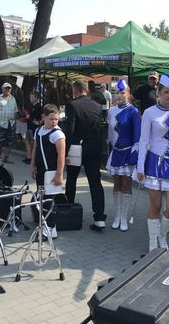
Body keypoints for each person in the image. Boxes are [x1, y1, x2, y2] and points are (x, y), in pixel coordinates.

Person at [137, 74, 169, 252]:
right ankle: (153, 243)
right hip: (154, 164)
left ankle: (162, 234)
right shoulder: (149, 113)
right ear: (158, 93)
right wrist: (140, 167)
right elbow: (143, 141)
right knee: (155, 205)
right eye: (166, 92)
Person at [64, 80, 107, 230]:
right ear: (86, 90)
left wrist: (64, 152)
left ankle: (68, 212)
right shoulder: (96, 105)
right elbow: (100, 128)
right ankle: (99, 218)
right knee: (95, 182)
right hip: (94, 147)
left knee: (71, 180)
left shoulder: (72, 105)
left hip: (76, 148)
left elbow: (70, 130)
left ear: (75, 91)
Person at [106, 79, 140, 232]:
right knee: (116, 184)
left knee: (126, 184)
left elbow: (137, 135)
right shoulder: (111, 111)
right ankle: (117, 216)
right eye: (117, 93)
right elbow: (110, 134)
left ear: (129, 95)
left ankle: (124, 218)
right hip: (115, 152)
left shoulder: (133, 111)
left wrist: (135, 153)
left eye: (122, 93)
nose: (119, 95)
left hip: (128, 152)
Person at [31, 104, 66, 240]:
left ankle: (51, 228)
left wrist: (59, 174)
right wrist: (32, 166)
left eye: (56, 119)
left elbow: (61, 155)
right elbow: (35, 149)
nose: (54, 122)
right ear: (44, 117)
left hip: (51, 172)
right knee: (41, 199)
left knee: (48, 201)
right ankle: (45, 225)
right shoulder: (39, 131)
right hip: (41, 171)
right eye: (51, 119)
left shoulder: (57, 134)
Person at [0, 82, 18, 163]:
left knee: (10, 142)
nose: (7, 90)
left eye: (9, 88)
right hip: (0, 123)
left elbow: (15, 110)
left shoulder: (13, 98)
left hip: (11, 123)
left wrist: (14, 121)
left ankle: (6, 158)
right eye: (5, 88)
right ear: (2, 89)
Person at [24, 91, 43, 164]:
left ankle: (33, 158)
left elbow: (43, 116)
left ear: (36, 98)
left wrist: (39, 122)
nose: (30, 98)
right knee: (27, 141)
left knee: (33, 142)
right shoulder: (31, 106)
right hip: (29, 126)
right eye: (30, 97)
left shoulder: (39, 107)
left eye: (32, 97)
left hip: (34, 128)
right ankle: (28, 157)